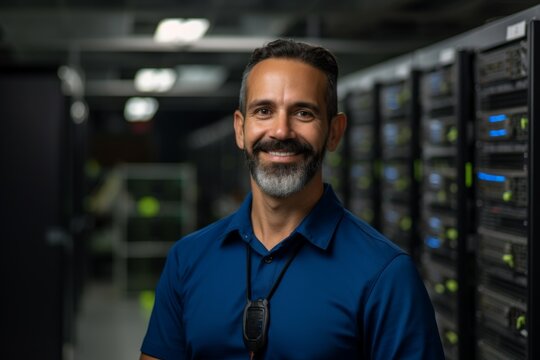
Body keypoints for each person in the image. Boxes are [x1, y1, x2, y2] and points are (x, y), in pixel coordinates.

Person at [140, 39, 444, 360]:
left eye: (303, 112)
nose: (281, 131)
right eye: (264, 111)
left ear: (334, 132)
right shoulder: (187, 260)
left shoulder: (386, 276)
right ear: (240, 130)